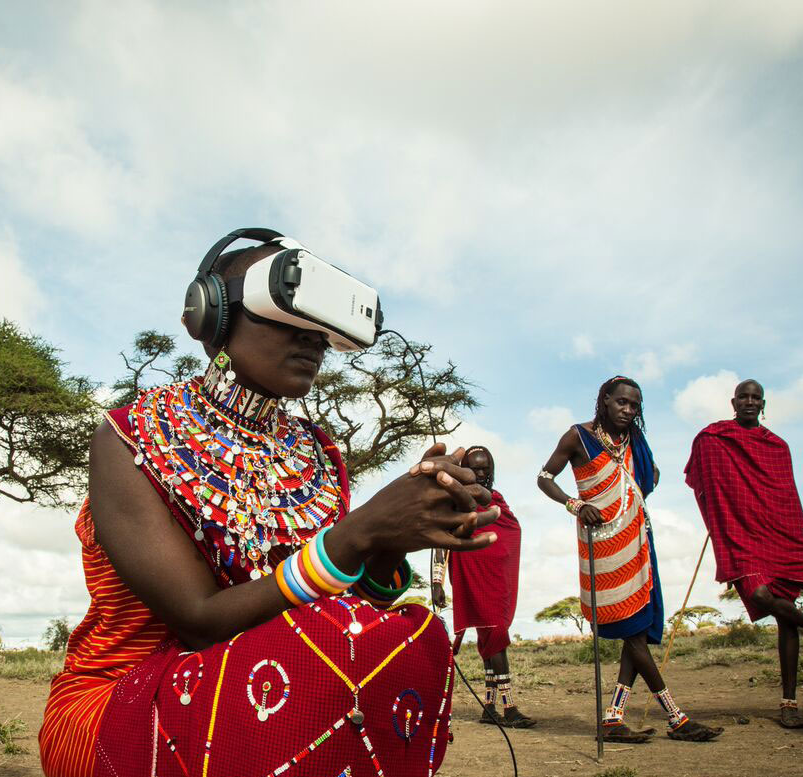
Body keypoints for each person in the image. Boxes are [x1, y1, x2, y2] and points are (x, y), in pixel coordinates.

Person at [38, 232, 499, 777]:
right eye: (288, 317)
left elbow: (342, 604)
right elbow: (200, 622)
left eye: (324, 328)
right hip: (122, 701)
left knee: (409, 635)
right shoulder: (129, 436)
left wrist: (384, 545)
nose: (315, 341)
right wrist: (354, 534)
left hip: (273, 690)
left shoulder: (320, 454)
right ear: (214, 314)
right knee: (320, 649)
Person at [537, 376, 722, 743]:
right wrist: (576, 504)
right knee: (632, 634)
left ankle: (613, 718)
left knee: (636, 630)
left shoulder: (634, 439)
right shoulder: (578, 436)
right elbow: (544, 478)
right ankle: (676, 718)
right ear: (604, 400)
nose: (628, 410)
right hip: (601, 544)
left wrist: (633, 486)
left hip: (636, 538)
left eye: (634, 406)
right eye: (622, 403)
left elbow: (650, 475)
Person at [685, 379, 803, 728]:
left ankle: (789, 704)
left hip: (778, 532)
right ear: (733, 401)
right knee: (760, 593)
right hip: (740, 532)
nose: (749, 401)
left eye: (755, 397)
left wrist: (795, 538)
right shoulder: (714, 438)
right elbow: (702, 476)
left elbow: (785, 494)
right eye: (743, 396)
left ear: (763, 404)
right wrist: (716, 509)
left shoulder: (777, 446)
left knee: (786, 619)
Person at [431, 445, 533, 728]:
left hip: (498, 579)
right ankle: (509, 707)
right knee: (495, 633)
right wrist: (437, 582)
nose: (480, 473)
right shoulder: (457, 500)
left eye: (485, 469)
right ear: (465, 469)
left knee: (492, 636)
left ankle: (489, 706)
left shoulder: (498, 499)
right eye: (475, 468)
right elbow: (442, 540)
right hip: (471, 576)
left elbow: (511, 531)